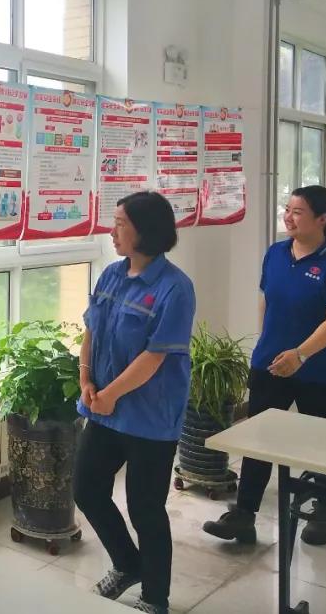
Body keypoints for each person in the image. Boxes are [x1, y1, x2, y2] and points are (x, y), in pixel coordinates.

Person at [204, 185, 326, 547]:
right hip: (271, 366)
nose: (288, 217)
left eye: (297, 212)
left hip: (319, 371)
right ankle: (244, 515)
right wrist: (266, 342)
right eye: (287, 209)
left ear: (322, 219)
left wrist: (300, 354)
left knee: (320, 442)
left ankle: (325, 510)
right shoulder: (275, 253)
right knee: (259, 440)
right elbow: (267, 300)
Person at [75, 191, 196, 614]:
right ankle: (128, 564)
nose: (112, 231)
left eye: (120, 224)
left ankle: (155, 598)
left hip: (150, 417)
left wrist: (110, 394)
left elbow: (154, 356)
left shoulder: (175, 288)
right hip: (104, 410)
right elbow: (91, 330)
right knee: (87, 490)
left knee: (145, 509)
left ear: (145, 231)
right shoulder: (111, 275)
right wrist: (86, 378)